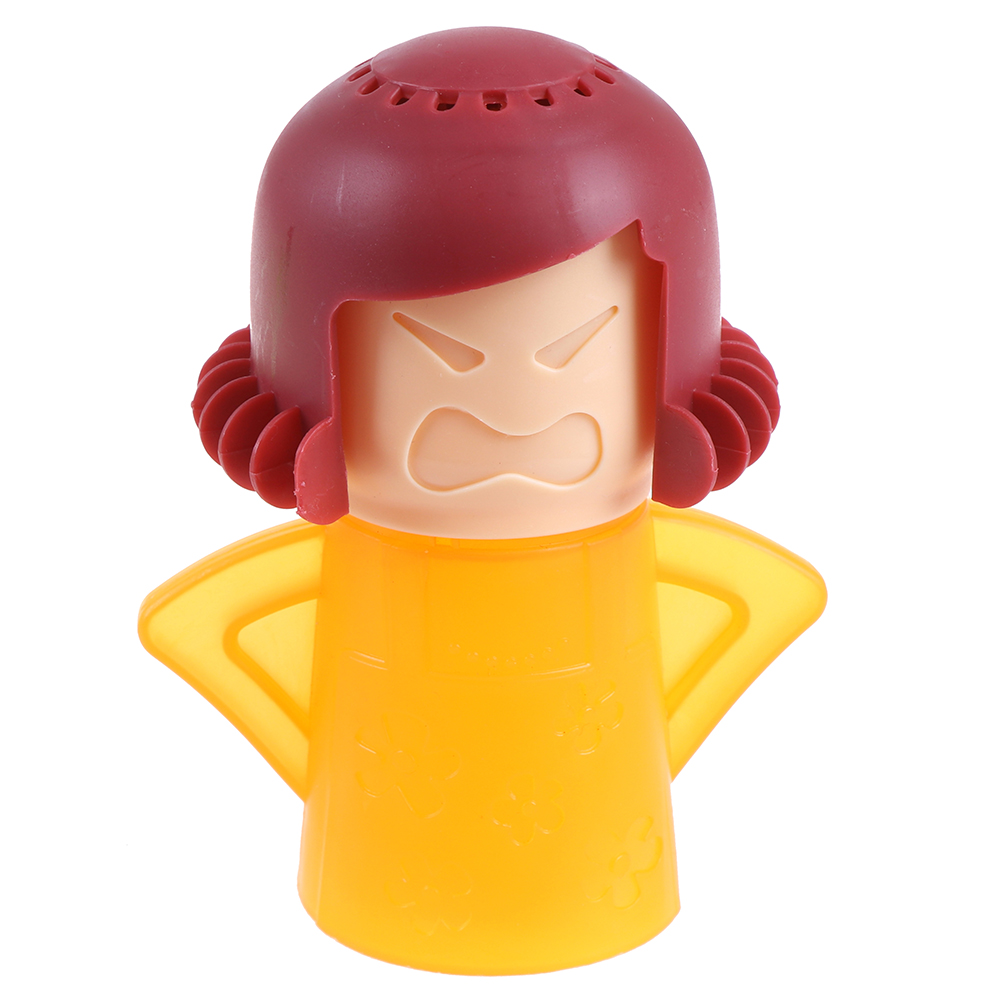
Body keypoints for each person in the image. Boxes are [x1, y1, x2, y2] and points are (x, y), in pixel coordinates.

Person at [140, 27, 825, 974]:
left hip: (604, 906)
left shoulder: (677, 563)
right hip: (372, 918)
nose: (513, 407)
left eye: (575, 349)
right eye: (444, 355)